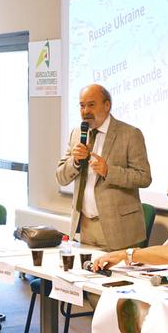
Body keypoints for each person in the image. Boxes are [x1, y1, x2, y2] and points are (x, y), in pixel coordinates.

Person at [56, 84, 151, 251]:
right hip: (85, 226)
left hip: (120, 229)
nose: (85, 111)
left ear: (107, 105)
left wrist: (108, 171)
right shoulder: (77, 133)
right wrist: (75, 162)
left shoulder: (130, 134)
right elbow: (61, 177)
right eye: (82, 105)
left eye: (91, 105)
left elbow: (144, 177)